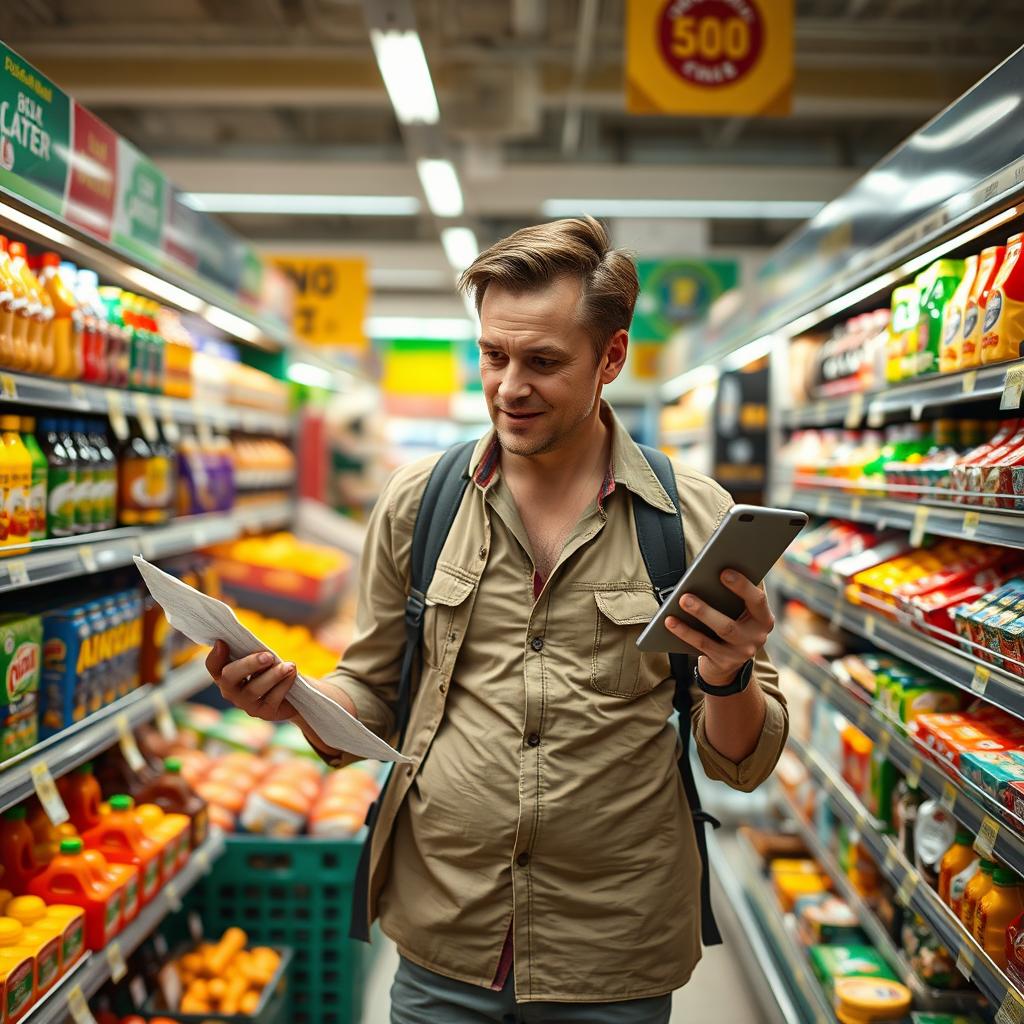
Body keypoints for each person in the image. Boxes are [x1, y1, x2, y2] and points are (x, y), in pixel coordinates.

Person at [207, 216, 788, 1024]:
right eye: (493, 355)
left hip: (613, 951)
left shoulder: (691, 519)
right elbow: (369, 694)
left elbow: (740, 763)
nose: (509, 386)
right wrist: (293, 697)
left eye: (544, 362)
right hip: (446, 931)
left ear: (610, 358)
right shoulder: (421, 503)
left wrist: (727, 673)